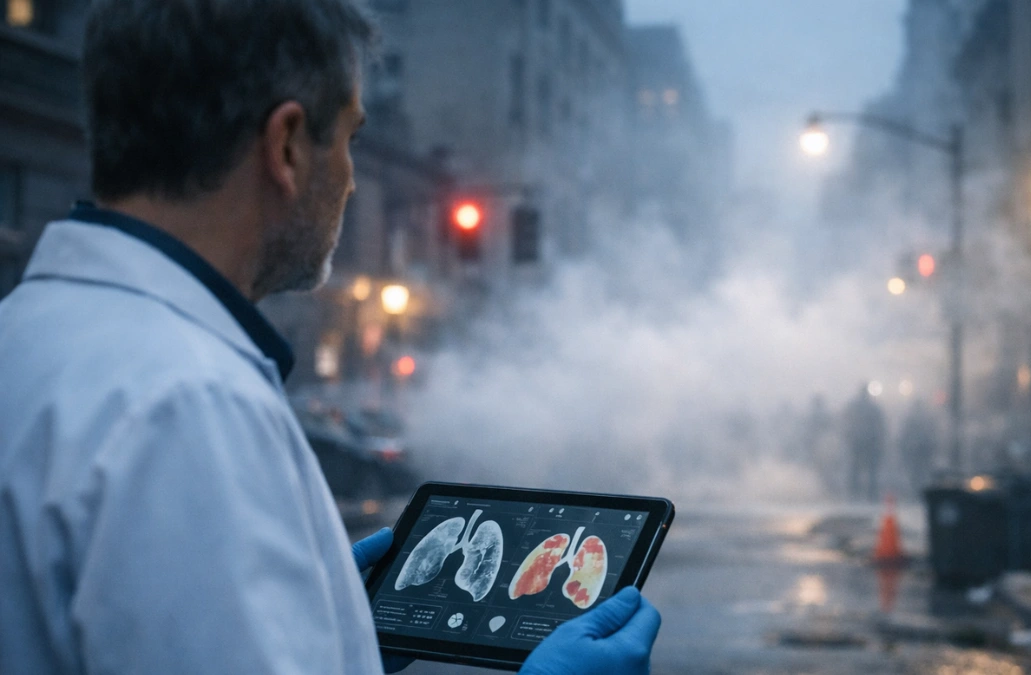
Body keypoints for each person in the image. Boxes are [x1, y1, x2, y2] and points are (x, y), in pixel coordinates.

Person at [0, 1, 660, 674]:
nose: (348, 177)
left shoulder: (24, 331)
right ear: (287, 146)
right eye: (348, 138)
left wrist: (328, 634)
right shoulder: (190, 405)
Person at [842, 385, 887, 501]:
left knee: (855, 469)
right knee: (871, 470)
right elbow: (880, 425)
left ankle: (854, 493)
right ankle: (870, 494)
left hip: (857, 442)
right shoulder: (873, 407)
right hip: (870, 442)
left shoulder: (854, 406)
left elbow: (846, 421)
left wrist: (848, 436)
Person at [897, 399, 939, 495]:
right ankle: (919, 491)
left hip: (917, 450)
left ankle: (917, 491)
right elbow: (932, 434)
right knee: (919, 472)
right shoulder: (926, 419)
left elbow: (904, 435)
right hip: (920, 451)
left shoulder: (912, 419)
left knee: (916, 473)